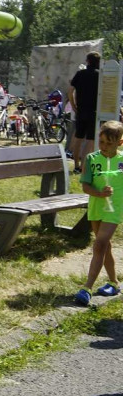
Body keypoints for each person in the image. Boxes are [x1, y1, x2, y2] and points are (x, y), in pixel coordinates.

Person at [76, 121, 123, 306]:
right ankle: (114, 282)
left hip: (115, 209)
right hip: (96, 207)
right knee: (105, 247)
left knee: (99, 244)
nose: (104, 147)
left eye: (109, 143)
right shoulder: (91, 159)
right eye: (101, 142)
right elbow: (85, 186)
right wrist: (99, 194)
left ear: (119, 143)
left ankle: (87, 288)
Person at [70, 51, 101, 172]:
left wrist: (73, 106)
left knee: (78, 138)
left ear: (87, 61)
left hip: (81, 110)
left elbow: (70, 91)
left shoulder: (80, 73)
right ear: (98, 62)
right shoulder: (100, 75)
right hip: (94, 111)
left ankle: (76, 166)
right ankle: (83, 167)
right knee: (90, 140)